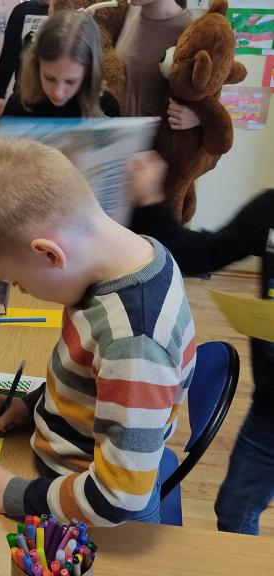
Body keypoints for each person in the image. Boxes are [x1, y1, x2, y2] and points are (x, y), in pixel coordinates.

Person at [0, 138, 196, 524]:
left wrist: (15, 495)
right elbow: (90, 381)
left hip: (87, 501)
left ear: (50, 254)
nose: (23, 292)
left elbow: (118, 497)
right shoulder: (125, 257)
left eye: (18, 282)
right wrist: (32, 404)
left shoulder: (133, 345)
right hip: (66, 461)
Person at [129, 152, 274, 536]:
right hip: (269, 414)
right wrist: (149, 201)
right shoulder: (269, 209)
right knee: (234, 509)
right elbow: (198, 254)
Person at [2, 10, 120, 118]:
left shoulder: (107, 108)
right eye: (49, 78)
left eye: (70, 81)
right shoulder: (18, 106)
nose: (58, 93)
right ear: (36, 65)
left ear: (89, 72)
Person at [115, 0, 197, 128]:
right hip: (118, 137)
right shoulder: (130, 11)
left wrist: (198, 118)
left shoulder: (191, 32)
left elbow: (211, 93)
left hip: (153, 143)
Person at [0, 0, 51, 120]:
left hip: (62, 99)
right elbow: (8, 55)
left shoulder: (73, 12)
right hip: (25, 97)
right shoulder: (22, 11)